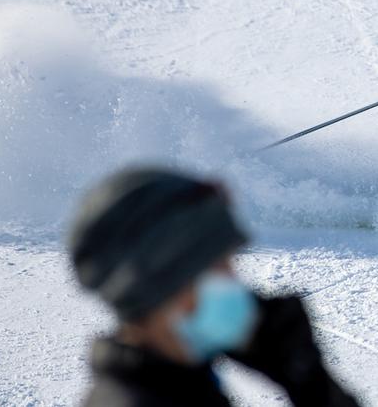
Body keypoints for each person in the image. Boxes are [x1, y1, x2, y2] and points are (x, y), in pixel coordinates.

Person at [68, 167, 359, 407]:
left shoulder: (182, 386)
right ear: (166, 282)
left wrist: (309, 381)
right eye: (219, 268)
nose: (234, 282)